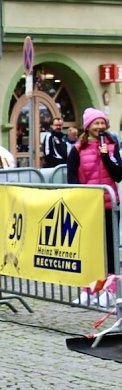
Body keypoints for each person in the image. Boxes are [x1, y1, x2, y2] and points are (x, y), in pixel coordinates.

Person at [67, 107, 122, 274]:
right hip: (90, 205)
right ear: (88, 126)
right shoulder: (77, 150)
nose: (100, 126)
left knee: (111, 246)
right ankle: (92, 282)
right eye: (96, 123)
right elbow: (72, 177)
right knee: (92, 245)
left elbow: (118, 175)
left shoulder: (111, 147)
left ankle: (111, 284)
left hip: (110, 204)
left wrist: (106, 157)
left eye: (102, 123)